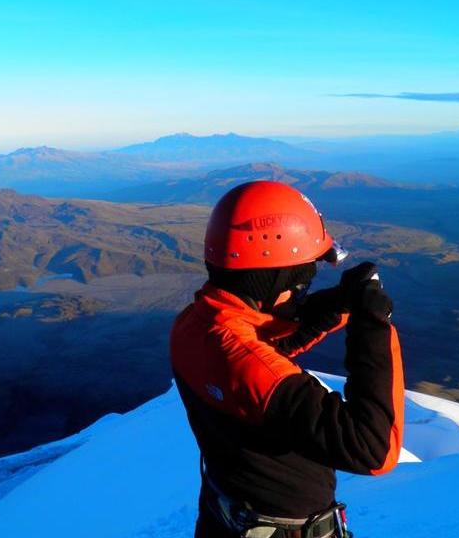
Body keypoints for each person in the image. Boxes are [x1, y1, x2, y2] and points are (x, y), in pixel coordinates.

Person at [170, 181, 404, 538]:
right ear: (272, 279)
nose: (301, 292)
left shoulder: (194, 325)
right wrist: (373, 324)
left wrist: (341, 303)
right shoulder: (251, 366)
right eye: (300, 283)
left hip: (224, 520)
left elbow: (264, 341)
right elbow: (374, 448)